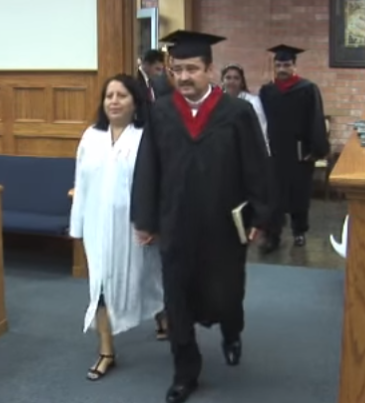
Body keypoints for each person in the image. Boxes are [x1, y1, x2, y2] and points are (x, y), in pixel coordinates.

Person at [131, 30, 271, 403]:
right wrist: (145, 219)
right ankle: (184, 372)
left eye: (192, 69)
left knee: (227, 293)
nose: (184, 77)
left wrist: (260, 216)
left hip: (224, 225)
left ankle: (231, 331)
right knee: (176, 299)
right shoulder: (162, 112)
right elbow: (148, 167)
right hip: (176, 223)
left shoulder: (236, 112)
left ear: (210, 70)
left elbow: (256, 167)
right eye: (177, 69)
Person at [69, 74, 166, 381]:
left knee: (149, 278)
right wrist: (77, 226)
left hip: (134, 227)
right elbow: (81, 183)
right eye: (109, 95)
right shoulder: (91, 137)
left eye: (121, 95)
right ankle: (106, 351)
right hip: (98, 227)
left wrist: (153, 223)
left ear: (135, 102)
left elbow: (158, 184)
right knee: (100, 287)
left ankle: (163, 316)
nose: (113, 101)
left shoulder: (146, 137)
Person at [258, 44, 330, 252]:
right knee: (273, 196)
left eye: (286, 65)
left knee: (299, 194)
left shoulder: (307, 89)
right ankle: (273, 234)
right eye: (279, 65)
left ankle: (299, 231)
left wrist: (315, 150)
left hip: (299, 152)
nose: (282, 69)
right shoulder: (267, 91)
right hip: (274, 152)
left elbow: (316, 119)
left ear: (294, 66)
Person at [221, 64, 269, 154]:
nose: (232, 81)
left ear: (242, 82)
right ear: (222, 81)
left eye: (236, 78)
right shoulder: (216, 101)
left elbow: (262, 127)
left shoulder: (252, 101)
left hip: (246, 149)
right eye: (228, 78)